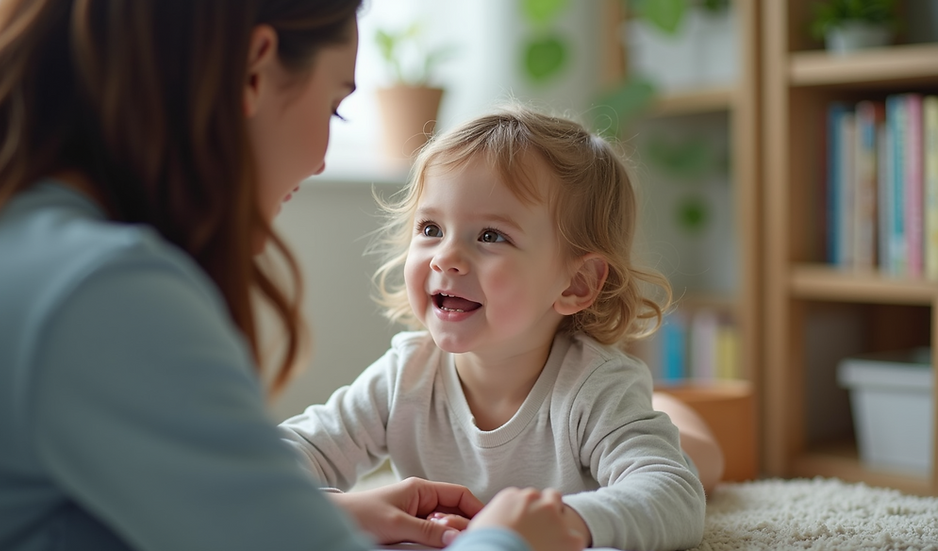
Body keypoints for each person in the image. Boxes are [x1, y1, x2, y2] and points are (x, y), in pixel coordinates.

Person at [0, 1, 586, 550]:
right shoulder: (101, 294)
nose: (318, 161)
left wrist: (314, 515)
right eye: (337, 107)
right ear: (255, 69)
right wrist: (507, 540)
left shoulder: (5, 237)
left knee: (681, 436)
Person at [279, 105, 711, 550]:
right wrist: (340, 509)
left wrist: (567, 521)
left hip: (656, 428)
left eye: (490, 236)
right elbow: (276, 457)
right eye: (430, 228)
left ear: (576, 283)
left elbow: (674, 493)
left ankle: (673, 413)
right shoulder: (405, 375)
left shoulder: (597, 389)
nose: (445, 256)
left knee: (699, 458)